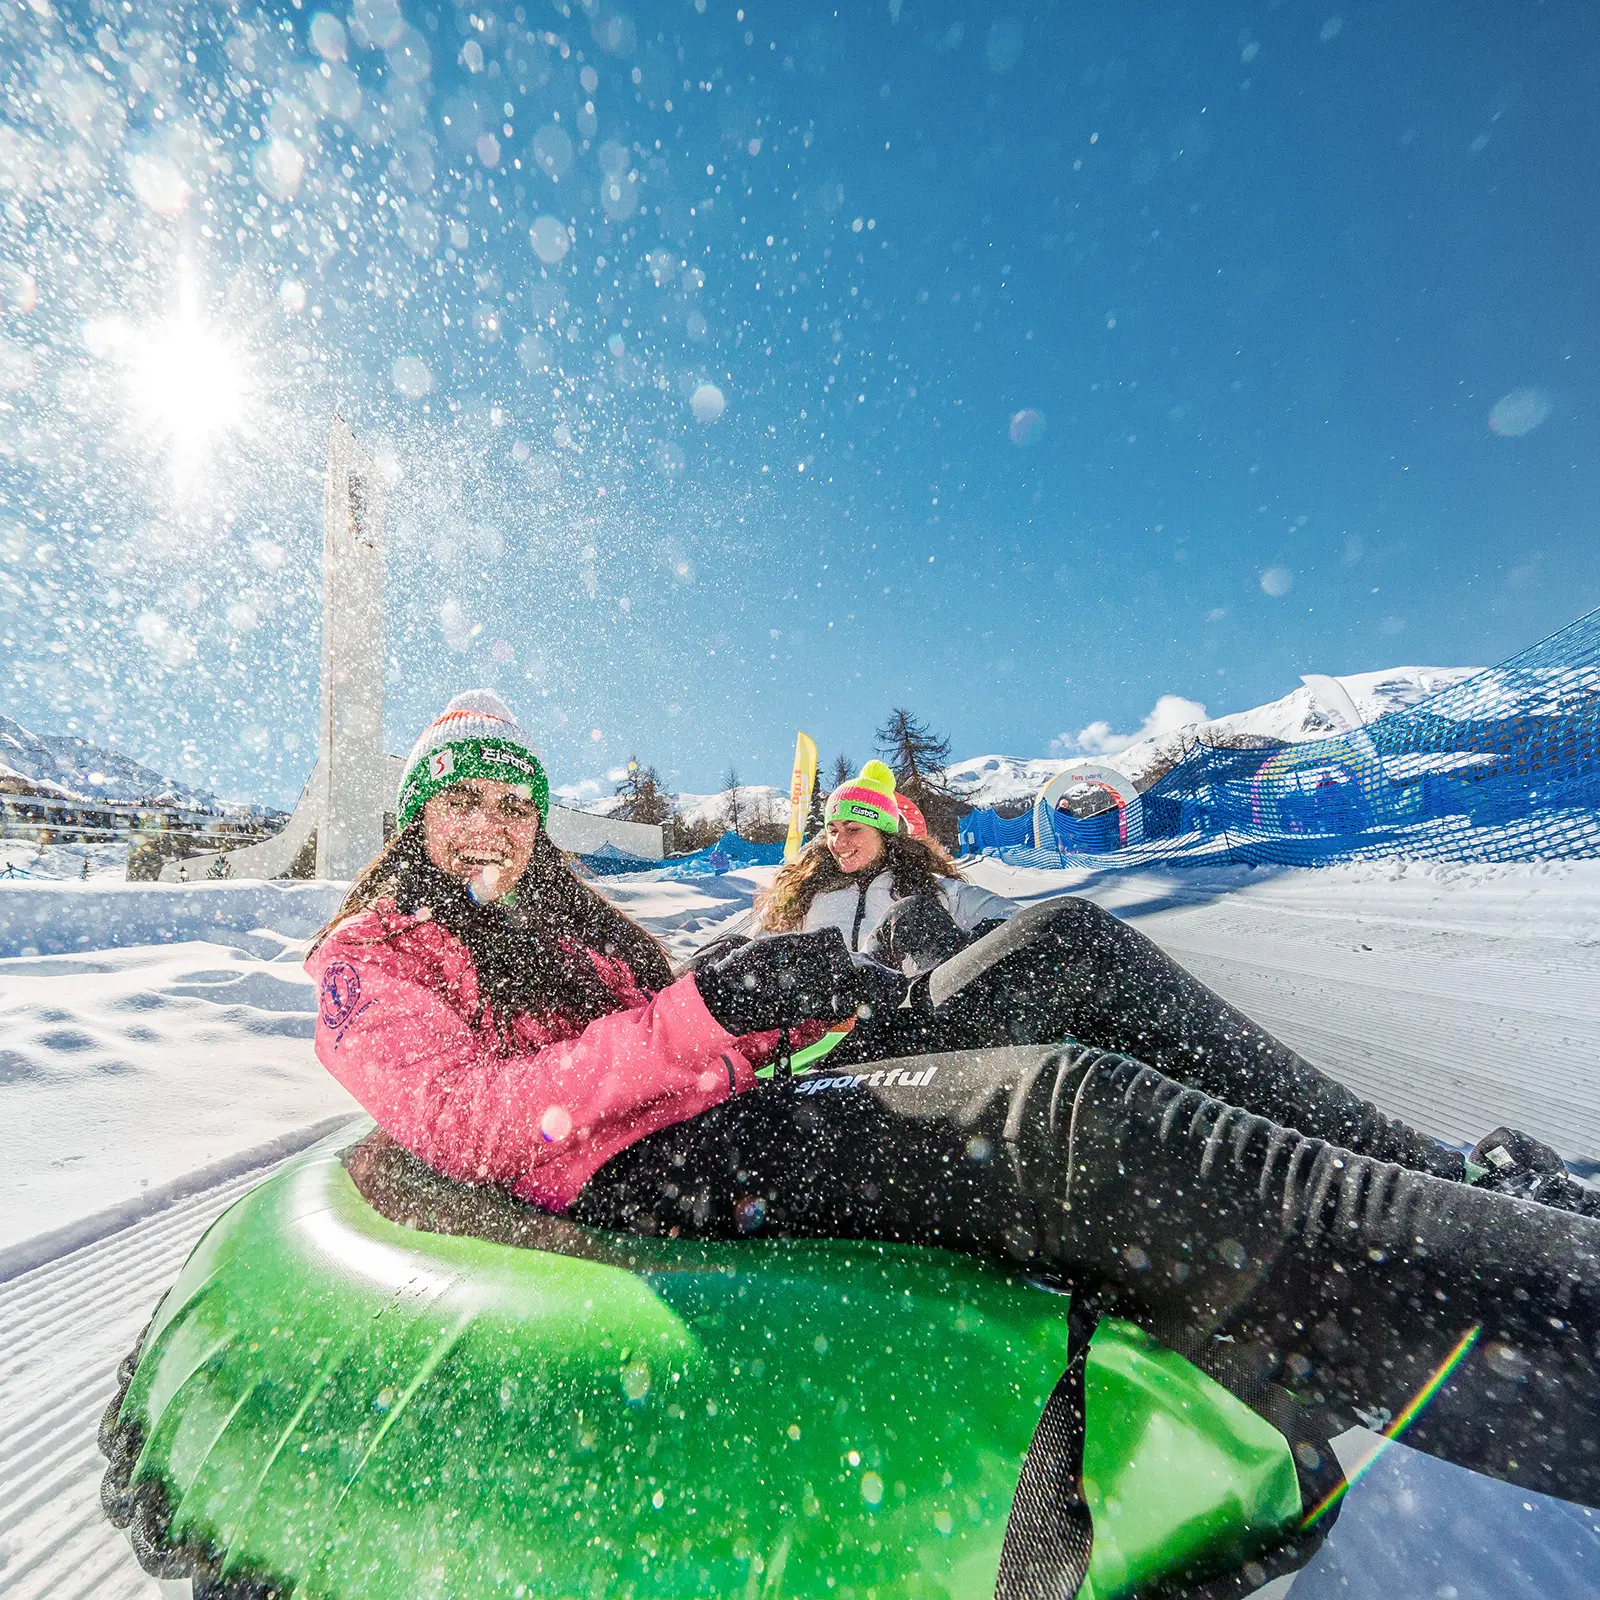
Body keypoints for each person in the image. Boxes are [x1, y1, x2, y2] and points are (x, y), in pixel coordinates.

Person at [311, 691, 1600, 1512]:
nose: (494, 826)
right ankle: (1542, 1336)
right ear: (418, 812)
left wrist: (796, 1002)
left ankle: (1441, 1172)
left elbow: (679, 1033)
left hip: (725, 1100)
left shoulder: (577, 933)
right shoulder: (376, 956)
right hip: (643, 1175)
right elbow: (478, 1123)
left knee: (1066, 946)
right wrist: (714, 1009)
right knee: (1063, 1115)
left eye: (515, 803)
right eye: (465, 801)